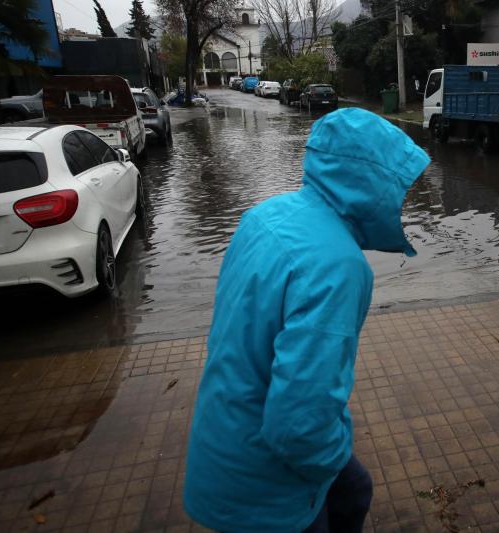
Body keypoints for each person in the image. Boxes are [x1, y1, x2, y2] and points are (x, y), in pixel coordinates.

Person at [183, 108, 430, 532]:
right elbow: (296, 428)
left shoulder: (266, 215)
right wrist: (331, 449)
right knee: (344, 488)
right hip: (265, 483)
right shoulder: (338, 266)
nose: (404, 200)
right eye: (398, 185)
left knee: (354, 489)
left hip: (222, 433)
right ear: (368, 184)